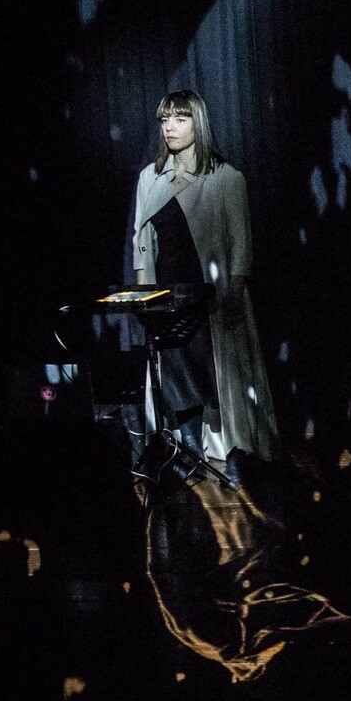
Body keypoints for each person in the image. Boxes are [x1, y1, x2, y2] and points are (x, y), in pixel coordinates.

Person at [130, 89, 280, 486]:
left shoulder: (225, 178)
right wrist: (143, 297)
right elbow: (141, 243)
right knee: (176, 375)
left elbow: (241, 242)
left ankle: (234, 453)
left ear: (198, 123)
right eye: (164, 120)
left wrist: (234, 290)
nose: (169, 127)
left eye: (179, 119)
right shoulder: (150, 178)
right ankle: (191, 453)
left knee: (219, 377)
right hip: (167, 298)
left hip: (211, 298)